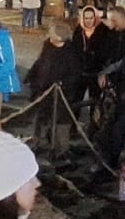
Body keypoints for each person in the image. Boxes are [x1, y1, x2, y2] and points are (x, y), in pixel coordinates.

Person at [25, 20, 86, 154]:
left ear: (58, 37)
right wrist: (31, 75)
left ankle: (61, 150)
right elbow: (40, 62)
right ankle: (37, 142)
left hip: (62, 95)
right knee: (40, 118)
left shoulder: (70, 53)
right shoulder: (48, 46)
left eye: (51, 33)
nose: (48, 35)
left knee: (61, 123)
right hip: (43, 91)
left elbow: (74, 74)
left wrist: (62, 84)